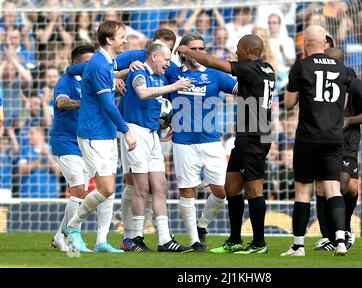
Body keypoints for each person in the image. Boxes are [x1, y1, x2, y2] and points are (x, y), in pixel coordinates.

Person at [176, 34, 275, 254]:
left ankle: (259, 243)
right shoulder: (267, 68)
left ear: (248, 49)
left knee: (254, 190)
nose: (236, 51)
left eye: (239, 48)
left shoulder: (250, 68)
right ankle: (234, 240)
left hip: (256, 135)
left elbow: (211, 62)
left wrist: (187, 50)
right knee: (231, 187)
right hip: (247, 135)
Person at [63, 20, 137, 254]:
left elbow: (76, 70)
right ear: (109, 40)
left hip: (104, 132)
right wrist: (126, 131)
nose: (125, 39)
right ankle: (72, 227)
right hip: (93, 132)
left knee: (109, 190)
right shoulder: (98, 65)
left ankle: (102, 241)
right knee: (104, 188)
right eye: (121, 36)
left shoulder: (105, 62)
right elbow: (107, 104)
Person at [282, 25, 352, 257]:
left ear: (305, 44)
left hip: (309, 137)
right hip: (333, 137)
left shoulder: (301, 66)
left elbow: (289, 102)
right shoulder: (342, 68)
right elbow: (342, 104)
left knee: (303, 191)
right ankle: (340, 240)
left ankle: (298, 246)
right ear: (324, 43)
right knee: (333, 188)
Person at [165, 34, 238, 252]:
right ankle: (195, 240)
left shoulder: (215, 74)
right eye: (193, 48)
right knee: (187, 191)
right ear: (182, 51)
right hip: (183, 142)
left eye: (202, 48)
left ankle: (202, 225)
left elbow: (239, 90)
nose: (198, 52)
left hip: (211, 141)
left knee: (221, 190)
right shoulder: (172, 73)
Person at [120, 42, 192, 253]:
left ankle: (164, 239)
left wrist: (166, 122)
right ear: (153, 57)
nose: (168, 64)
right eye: (166, 59)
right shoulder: (140, 72)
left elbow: (155, 103)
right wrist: (174, 87)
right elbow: (142, 93)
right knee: (141, 187)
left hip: (152, 135)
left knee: (160, 186)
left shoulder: (160, 77)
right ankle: (135, 238)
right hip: (136, 132)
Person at [50, 45, 114, 252]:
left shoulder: (93, 80)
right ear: (76, 64)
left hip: (84, 142)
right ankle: (68, 238)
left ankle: (61, 235)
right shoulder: (66, 81)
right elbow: (62, 103)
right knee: (78, 189)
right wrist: (85, 102)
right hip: (66, 142)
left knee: (84, 192)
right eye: (87, 62)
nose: (91, 65)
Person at [314, 47, 362, 252]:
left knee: (346, 185)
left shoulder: (354, 83)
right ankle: (327, 237)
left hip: (347, 141)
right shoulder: (319, 81)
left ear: (340, 63)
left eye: (330, 61)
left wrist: (349, 119)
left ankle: (345, 228)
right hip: (324, 140)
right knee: (322, 187)